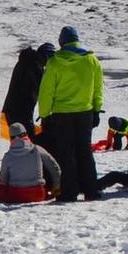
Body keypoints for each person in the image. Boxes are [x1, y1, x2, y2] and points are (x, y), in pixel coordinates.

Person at [37, 27, 103, 201]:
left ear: (62, 42)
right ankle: (91, 190)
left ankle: (69, 192)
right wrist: (97, 110)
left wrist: (45, 114)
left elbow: (46, 92)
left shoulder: (55, 62)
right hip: (85, 112)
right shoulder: (92, 60)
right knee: (85, 151)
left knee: (66, 154)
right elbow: (97, 89)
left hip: (61, 114)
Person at [0, 122, 62, 202]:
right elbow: (54, 167)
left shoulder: (8, 155)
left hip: (16, 195)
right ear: (25, 134)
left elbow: (3, 180)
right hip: (38, 194)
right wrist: (56, 186)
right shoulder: (37, 149)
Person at [2, 44, 51, 138]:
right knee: (28, 141)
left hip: (13, 110)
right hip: (21, 112)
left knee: (19, 142)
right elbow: (44, 88)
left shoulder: (26, 61)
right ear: (46, 56)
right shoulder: (35, 66)